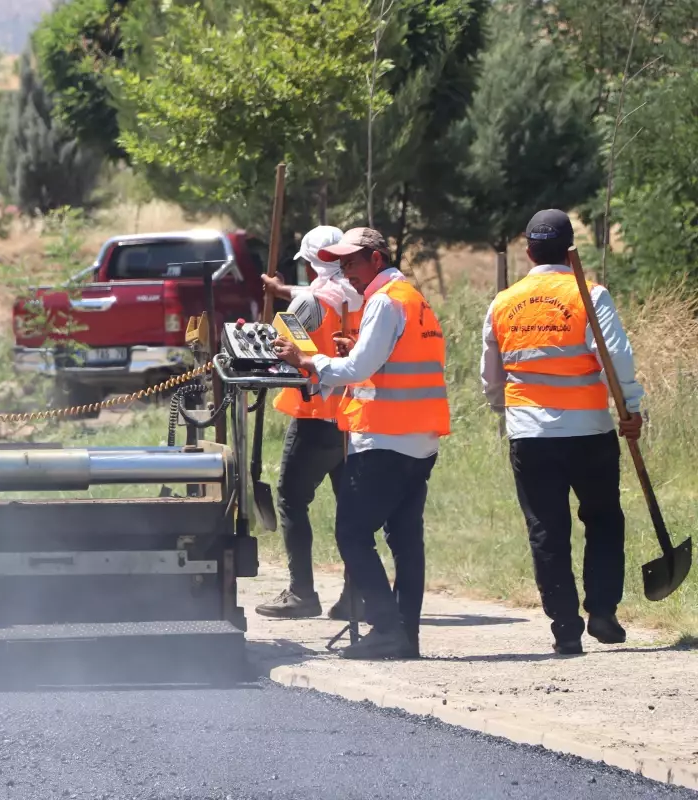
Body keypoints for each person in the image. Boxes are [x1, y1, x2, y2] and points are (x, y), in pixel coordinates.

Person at [274, 227, 450, 660]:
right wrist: (355, 349)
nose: (346, 272)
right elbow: (391, 358)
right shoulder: (412, 297)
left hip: (386, 437)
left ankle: (387, 629)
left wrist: (307, 360)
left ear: (375, 259)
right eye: (341, 263)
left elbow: (356, 369)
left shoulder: (385, 301)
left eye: (351, 262)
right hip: (419, 438)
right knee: (406, 540)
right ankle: (405, 635)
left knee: (352, 533)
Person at [480, 209, 644, 656]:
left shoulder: (503, 303)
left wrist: (510, 410)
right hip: (590, 431)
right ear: (572, 249)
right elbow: (618, 361)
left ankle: (566, 628)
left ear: (528, 249)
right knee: (604, 519)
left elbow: (492, 379)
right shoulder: (589, 295)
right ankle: (604, 611)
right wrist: (631, 409)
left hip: (530, 436)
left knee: (546, 530)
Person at [253, 226, 366, 620]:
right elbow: (317, 297)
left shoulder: (312, 301)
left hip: (315, 414)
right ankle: (356, 594)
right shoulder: (361, 293)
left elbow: (278, 346)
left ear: (311, 262)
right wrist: (282, 291)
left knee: (290, 498)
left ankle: (302, 592)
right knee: (351, 508)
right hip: (353, 417)